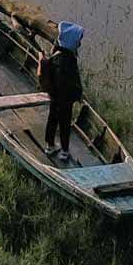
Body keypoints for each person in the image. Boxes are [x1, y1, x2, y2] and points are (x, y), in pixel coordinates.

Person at [43, 21, 84, 163]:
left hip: (55, 96)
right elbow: (72, 81)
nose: (79, 44)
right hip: (65, 99)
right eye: (78, 41)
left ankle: (49, 145)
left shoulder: (55, 56)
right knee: (64, 123)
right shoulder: (68, 60)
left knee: (52, 118)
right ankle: (65, 150)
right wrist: (77, 94)